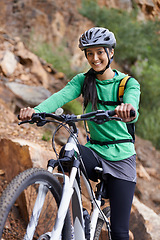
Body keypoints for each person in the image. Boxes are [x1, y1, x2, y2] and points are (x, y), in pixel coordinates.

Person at [19, 27, 140, 240]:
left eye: (100, 52)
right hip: (95, 151)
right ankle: (75, 216)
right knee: (68, 150)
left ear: (111, 53)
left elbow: (132, 105)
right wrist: (35, 111)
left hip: (121, 158)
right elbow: (59, 97)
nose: (95, 58)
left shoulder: (127, 84)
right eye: (90, 53)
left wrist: (127, 110)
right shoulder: (83, 81)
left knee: (120, 232)